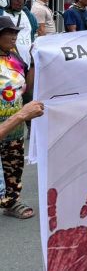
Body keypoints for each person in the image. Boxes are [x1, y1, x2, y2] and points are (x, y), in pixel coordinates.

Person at [0, 17, 36, 218]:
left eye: (15, 33)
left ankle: (11, 202)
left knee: (14, 165)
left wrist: (32, 63)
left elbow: (27, 88)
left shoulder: (14, 57)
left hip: (15, 125)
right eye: (8, 32)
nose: (13, 36)